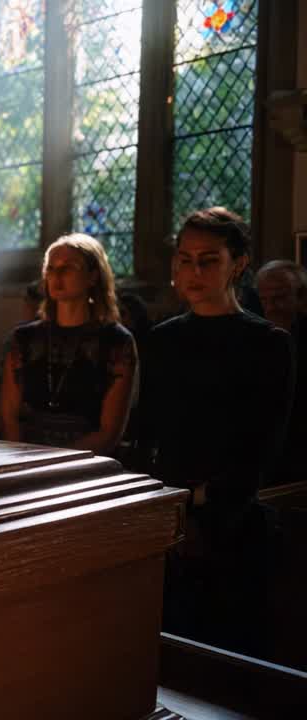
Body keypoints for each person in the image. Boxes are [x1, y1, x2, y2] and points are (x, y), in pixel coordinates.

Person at [136, 208, 295, 656]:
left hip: (234, 523)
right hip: (167, 519)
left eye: (209, 259)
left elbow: (263, 446)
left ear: (238, 263)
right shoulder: (163, 339)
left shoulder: (267, 343)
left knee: (229, 658)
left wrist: (204, 504)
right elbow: (149, 434)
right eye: (185, 259)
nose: (194, 271)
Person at [0, 234, 137, 455]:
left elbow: (109, 432)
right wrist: (25, 461)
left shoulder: (117, 342)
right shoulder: (23, 339)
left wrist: (58, 463)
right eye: (51, 268)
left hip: (85, 464)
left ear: (92, 276)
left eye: (68, 267)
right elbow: (9, 417)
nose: (57, 275)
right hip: (25, 458)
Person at [254, 260, 307, 486]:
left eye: (279, 298)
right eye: (265, 299)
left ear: (301, 297)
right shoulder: (258, 338)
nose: (270, 307)